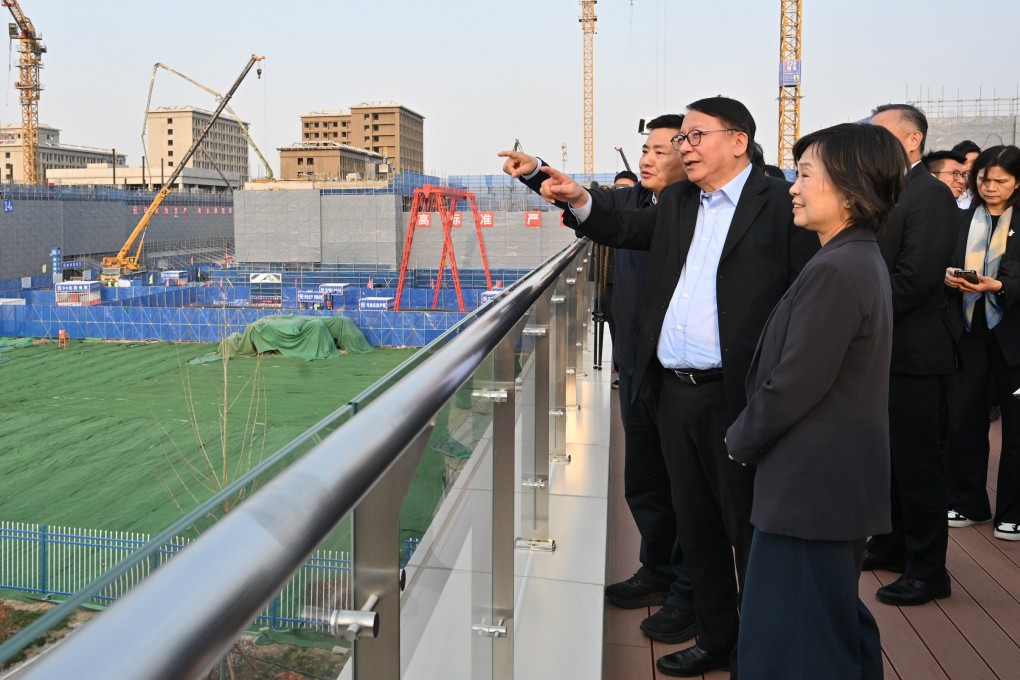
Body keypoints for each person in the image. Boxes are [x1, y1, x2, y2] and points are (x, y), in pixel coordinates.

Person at [537, 96, 819, 677]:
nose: (684, 149)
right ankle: (717, 640)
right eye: (681, 140)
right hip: (675, 393)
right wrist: (574, 196)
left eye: (695, 137)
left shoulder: (780, 203)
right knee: (699, 528)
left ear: (738, 141)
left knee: (751, 533)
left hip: (738, 397)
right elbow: (622, 226)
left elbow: (803, 299)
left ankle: (763, 656)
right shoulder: (680, 202)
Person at [499, 115, 700, 646]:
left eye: (661, 149)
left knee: (688, 492)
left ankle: (690, 591)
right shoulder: (637, 208)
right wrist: (536, 172)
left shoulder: (702, 216)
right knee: (647, 482)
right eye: (647, 149)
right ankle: (657, 569)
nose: (649, 159)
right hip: (635, 368)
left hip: (684, 377)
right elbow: (589, 203)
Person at [726, 122, 904, 680]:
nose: (793, 188)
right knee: (831, 625)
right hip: (831, 486)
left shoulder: (837, 269)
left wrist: (739, 441)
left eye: (805, 175)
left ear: (850, 188)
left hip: (811, 490)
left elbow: (795, 382)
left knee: (798, 641)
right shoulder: (854, 259)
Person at [863, 104, 958, 606]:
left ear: (913, 138)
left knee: (919, 465)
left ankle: (928, 569)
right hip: (884, 350)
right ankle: (894, 543)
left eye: (881, 135)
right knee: (889, 460)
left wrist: (857, 312)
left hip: (915, 355)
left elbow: (916, 281)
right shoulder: (886, 191)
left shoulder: (931, 194)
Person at [944, 144, 1020, 541]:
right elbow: (940, 258)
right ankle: (968, 501)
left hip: (1013, 334)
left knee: (1017, 426)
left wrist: (1002, 286)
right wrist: (948, 277)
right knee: (964, 419)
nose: (990, 187)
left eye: (1000, 181)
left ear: (1017, 182)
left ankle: (1014, 510)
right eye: (984, 179)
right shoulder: (961, 219)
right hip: (969, 328)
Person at [952, 140, 981, 209]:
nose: (969, 168)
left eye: (974, 163)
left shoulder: (984, 194)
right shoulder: (945, 193)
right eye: (964, 163)